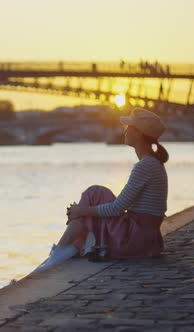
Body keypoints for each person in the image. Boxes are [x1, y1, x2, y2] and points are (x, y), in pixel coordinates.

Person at [33, 108, 169, 273]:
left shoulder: (145, 166)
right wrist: (83, 212)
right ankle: (56, 257)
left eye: (129, 127)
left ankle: (53, 258)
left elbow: (116, 208)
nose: (124, 130)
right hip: (147, 240)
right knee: (95, 198)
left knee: (94, 194)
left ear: (139, 134)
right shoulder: (153, 164)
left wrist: (80, 210)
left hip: (134, 240)